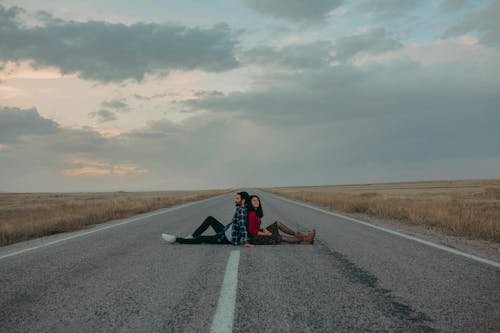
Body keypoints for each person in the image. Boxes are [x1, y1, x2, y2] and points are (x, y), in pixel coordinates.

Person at [161, 191, 255, 248]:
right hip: (225, 232)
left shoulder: (242, 210)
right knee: (210, 219)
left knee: (203, 239)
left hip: (224, 238)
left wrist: (246, 242)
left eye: (237, 198)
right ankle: (192, 236)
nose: (235, 200)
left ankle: (177, 240)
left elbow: (243, 226)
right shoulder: (241, 209)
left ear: (243, 201)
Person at [246, 195, 315, 245]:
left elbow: (255, 228)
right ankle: (306, 239)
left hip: (258, 233)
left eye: (257, 200)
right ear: (250, 203)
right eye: (254, 200)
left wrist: (264, 230)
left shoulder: (255, 213)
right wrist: (265, 233)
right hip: (256, 238)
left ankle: (297, 235)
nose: (256, 202)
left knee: (277, 223)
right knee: (280, 237)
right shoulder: (252, 214)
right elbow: (252, 231)